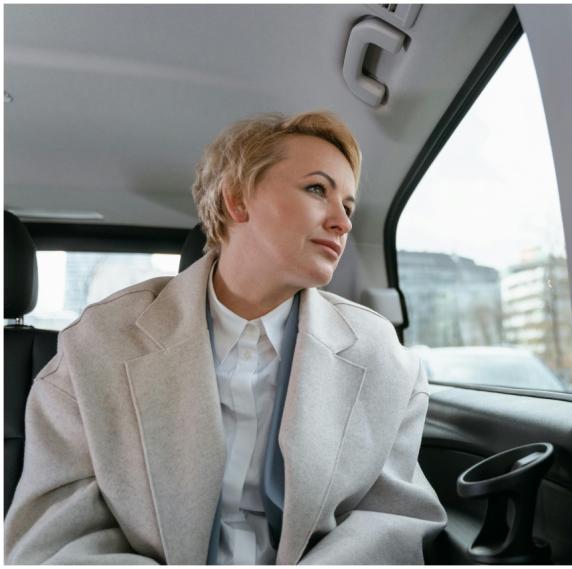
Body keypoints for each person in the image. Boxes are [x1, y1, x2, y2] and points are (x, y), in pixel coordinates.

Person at [5, 112, 447, 564]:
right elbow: (55, 536)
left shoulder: (385, 360)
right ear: (237, 201)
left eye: (349, 206)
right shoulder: (95, 346)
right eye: (318, 189)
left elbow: (394, 517)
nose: (343, 222)